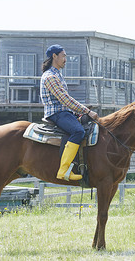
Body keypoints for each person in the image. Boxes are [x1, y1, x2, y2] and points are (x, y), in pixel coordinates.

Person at [40, 44, 98, 181]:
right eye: (64, 56)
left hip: (64, 112)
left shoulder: (57, 74)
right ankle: (64, 169)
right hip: (57, 113)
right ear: (54, 56)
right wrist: (87, 111)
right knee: (78, 132)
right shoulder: (50, 77)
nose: (66, 59)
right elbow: (65, 99)